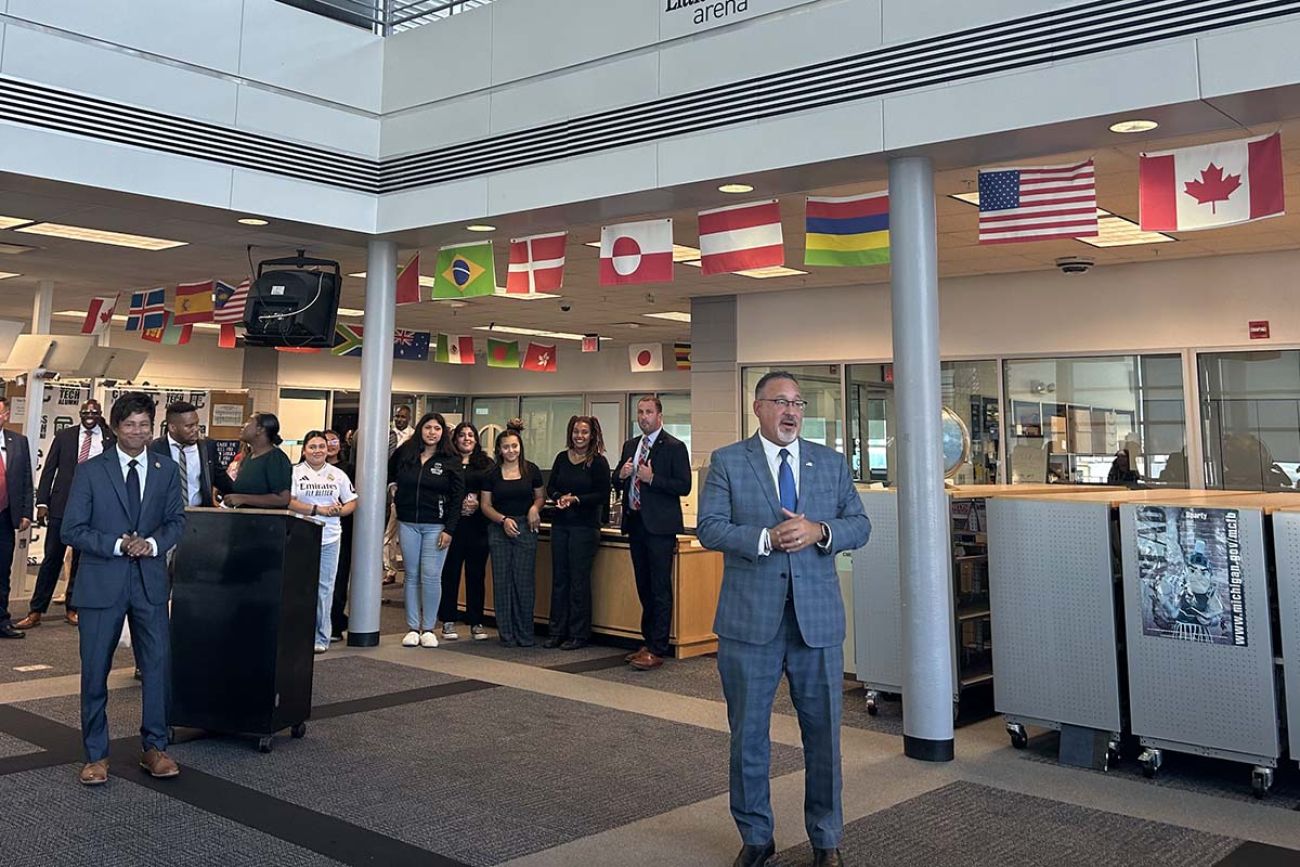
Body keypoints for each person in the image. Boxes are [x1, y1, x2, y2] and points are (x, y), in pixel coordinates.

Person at [697, 371, 871, 867]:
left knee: (823, 737)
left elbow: (860, 524)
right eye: (780, 401)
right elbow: (709, 528)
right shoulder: (729, 461)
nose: (792, 411)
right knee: (748, 736)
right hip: (749, 623)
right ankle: (756, 837)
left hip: (815, 623)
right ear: (758, 408)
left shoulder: (831, 463)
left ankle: (826, 838)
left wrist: (820, 530)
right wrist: (765, 539)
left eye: (798, 402)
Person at [64, 392, 186, 786]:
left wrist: (152, 544)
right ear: (115, 427)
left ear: (154, 428)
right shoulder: (91, 471)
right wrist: (119, 544)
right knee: (95, 670)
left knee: (157, 669)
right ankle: (96, 755)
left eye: (145, 425)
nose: (138, 432)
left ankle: (155, 747)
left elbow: (176, 522)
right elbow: (72, 529)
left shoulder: (166, 469)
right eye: (130, 424)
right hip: (102, 583)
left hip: (150, 583)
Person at [17, 400, 110, 631]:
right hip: (61, 505)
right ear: (80, 414)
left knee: (80, 561)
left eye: (94, 412)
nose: (90, 415)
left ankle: (73, 608)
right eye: (86, 412)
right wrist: (42, 502)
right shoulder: (64, 436)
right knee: (51, 559)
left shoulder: (110, 439)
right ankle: (36, 610)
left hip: (93, 508)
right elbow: (49, 469)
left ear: (100, 414)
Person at [616, 395, 692, 670]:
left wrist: (653, 479)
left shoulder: (673, 447)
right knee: (644, 585)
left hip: (660, 527)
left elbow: (684, 485)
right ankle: (647, 640)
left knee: (659, 587)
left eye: (648, 412)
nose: (643, 416)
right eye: (640, 412)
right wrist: (622, 476)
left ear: (660, 416)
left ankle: (658, 647)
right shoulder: (631, 445)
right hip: (635, 523)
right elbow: (616, 479)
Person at [388, 412, 462, 649]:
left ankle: (428, 627)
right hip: (408, 522)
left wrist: (449, 529)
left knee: (431, 575)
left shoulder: (450, 459)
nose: (432, 432)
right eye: (428, 427)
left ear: (443, 433)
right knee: (411, 575)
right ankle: (412, 627)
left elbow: (457, 497)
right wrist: (392, 487)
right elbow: (390, 472)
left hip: (436, 526)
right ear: (421, 429)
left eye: (437, 429)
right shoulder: (406, 453)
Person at [545, 416, 610, 651]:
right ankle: (556, 631)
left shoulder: (598, 462)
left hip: (584, 527)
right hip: (562, 525)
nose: (579, 436)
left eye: (584, 432)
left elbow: (602, 494)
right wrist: (557, 498)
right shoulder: (562, 459)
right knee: (560, 580)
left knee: (578, 581)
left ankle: (578, 633)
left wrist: (577, 499)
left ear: (592, 435)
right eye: (575, 432)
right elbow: (551, 486)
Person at [289, 430, 358, 654]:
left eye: (321, 446)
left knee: (324, 589)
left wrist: (338, 511)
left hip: (330, 538)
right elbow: (289, 502)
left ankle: (322, 635)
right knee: (300, 587)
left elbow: (351, 502)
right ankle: (299, 634)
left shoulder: (337, 475)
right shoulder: (295, 473)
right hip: (301, 536)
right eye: (312, 447)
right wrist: (318, 510)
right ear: (304, 450)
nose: (318, 450)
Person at [481, 422, 544, 648]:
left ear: (520, 447)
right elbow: (485, 505)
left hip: (526, 527)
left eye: (515, 446)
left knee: (523, 582)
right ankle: (506, 634)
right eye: (506, 447)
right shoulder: (491, 474)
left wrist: (534, 509)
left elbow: (540, 497)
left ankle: (525, 634)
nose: (511, 451)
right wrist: (502, 520)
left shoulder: (531, 470)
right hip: (499, 527)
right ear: (499, 450)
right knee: (502, 582)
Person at [437, 422, 494, 642]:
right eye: (462, 435)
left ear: (477, 440)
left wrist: (478, 500)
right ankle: (448, 620)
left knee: (476, 574)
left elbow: (493, 489)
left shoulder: (486, 464)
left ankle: (476, 621)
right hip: (453, 526)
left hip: (478, 526)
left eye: (471, 435)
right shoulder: (447, 462)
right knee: (449, 573)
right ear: (455, 439)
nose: (466, 438)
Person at [149, 400, 234, 509]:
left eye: (197, 424)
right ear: (172, 428)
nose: (196, 429)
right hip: (165, 516)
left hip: (200, 514)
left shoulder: (207, 447)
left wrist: (245, 496)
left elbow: (221, 478)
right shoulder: (155, 449)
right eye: (189, 426)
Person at [0, 396, 34, 640]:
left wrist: (25, 512)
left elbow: (25, 480)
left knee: (3, 571)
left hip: (5, 516)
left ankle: (2, 620)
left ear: (6, 414)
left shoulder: (18, 442)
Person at [222, 413, 291, 509]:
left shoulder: (275, 458)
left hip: (266, 522)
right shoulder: (249, 457)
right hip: (245, 521)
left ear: (260, 429)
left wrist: (243, 498)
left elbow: (283, 499)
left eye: (249, 422)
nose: (243, 425)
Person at [324, 429, 355, 642]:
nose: (330, 445)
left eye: (334, 440)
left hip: (341, 528)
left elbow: (353, 498)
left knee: (339, 576)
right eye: (325, 442)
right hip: (313, 528)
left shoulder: (348, 470)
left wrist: (341, 509)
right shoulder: (302, 471)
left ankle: (335, 623)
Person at [384, 405, 415, 585]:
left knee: (404, 533)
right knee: (389, 532)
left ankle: (408, 572)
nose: (400, 419)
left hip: (406, 490)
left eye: (403, 417)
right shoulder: (386, 434)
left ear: (409, 418)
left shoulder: (414, 437)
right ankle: (390, 569)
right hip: (388, 485)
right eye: (397, 416)